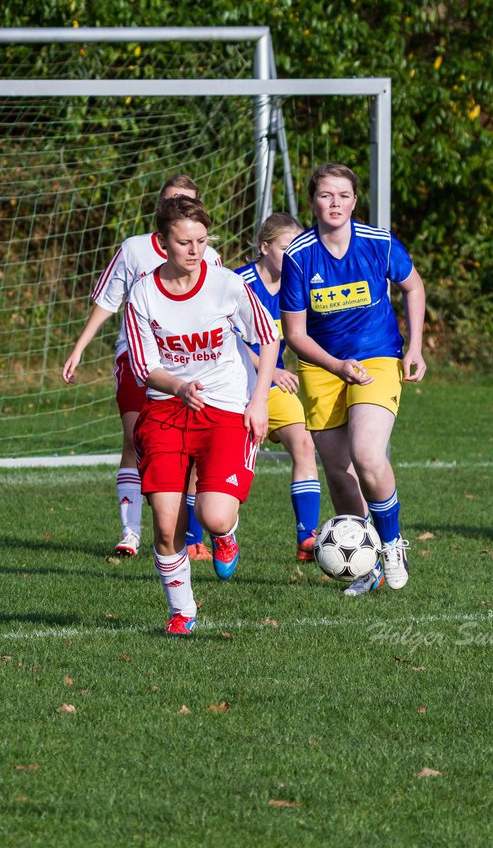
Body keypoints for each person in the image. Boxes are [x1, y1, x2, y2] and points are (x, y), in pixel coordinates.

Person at [125, 195, 279, 635]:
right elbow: (143, 365)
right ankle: (182, 611)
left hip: (227, 408)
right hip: (166, 411)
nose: (194, 251)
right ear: (162, 243)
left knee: (212, 516)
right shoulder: (144, 294)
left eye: (201, 241)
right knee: (166, 522)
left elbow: (267, 338)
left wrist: (259, 400)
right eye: (184, 242)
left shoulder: (226, 284)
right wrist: (178, 386)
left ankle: (225, 533)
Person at [280, 163, 427, 596]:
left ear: (355, 201)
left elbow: (413, 287)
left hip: (377, 357)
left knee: (366, 455)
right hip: (321, 366)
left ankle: (393, 542)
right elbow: (294, 334)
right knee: (341, 475)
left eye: (343, 195)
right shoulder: (298, 255)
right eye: (326, 195)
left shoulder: (378, 243)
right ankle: (365, 567)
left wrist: (414, 346)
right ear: (312, 202)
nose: (335, 204)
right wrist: (334, 366)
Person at [61, 175, 223, 559]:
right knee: (135, 438)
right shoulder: (134, 249)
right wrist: (79, 347)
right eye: (171, 201)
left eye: (187, 201)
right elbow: (108, 300)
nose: (179, 207)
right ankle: (130, 532)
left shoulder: (209, 257)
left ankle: (192, 536)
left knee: (195, 446)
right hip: (138, 359)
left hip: (191, 360)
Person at [235, 212, 323, 562]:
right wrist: (269, 371)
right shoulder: (238, 283)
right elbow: (227, 338)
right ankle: (195, 539)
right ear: (264, 246)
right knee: (210, 461)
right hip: (234, 387)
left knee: (303, 443)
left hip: (272, 390)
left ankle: (307, 538)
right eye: (287, 248)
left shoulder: (297, 285)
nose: (294, 255)